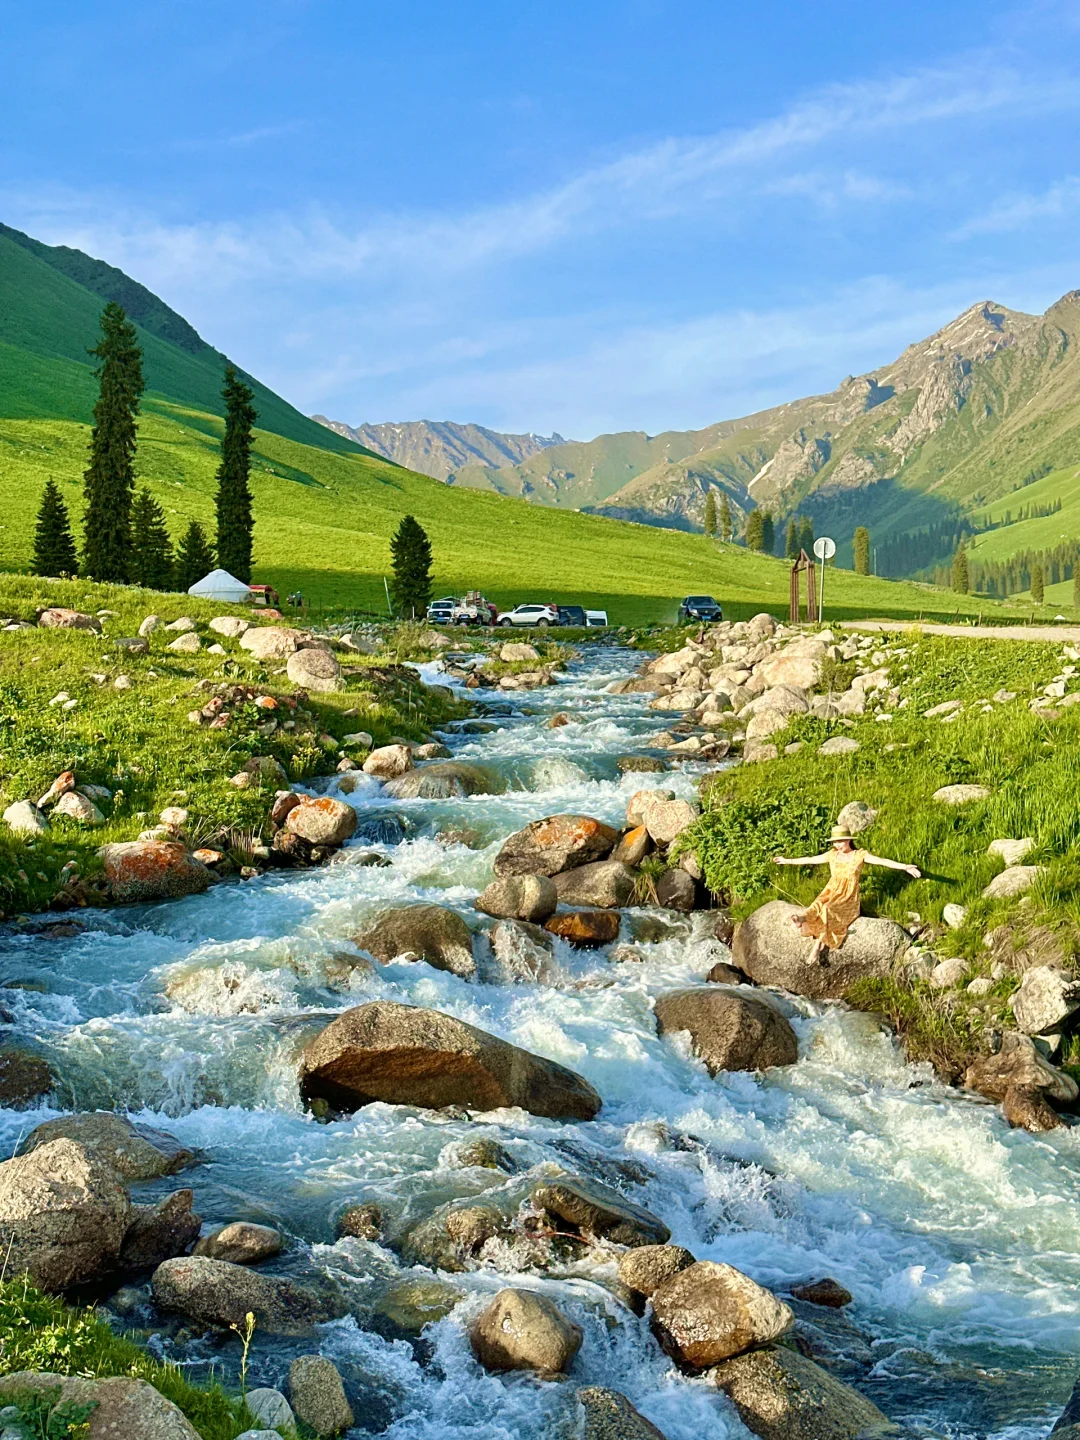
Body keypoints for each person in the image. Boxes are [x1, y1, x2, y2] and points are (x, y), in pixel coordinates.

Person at [773, 827, 920, 964]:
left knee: (828, 909)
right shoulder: (832, 855)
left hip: (848, 896)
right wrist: (787, 860)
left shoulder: (859, 855)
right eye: (835, 842)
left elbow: (882, 861)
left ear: (849, 840)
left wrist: (905, 867)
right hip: (831, 890)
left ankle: (817, 947)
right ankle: (802, 918)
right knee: (818, 903)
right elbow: (810, 859)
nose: (837, 845)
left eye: (840, 841)